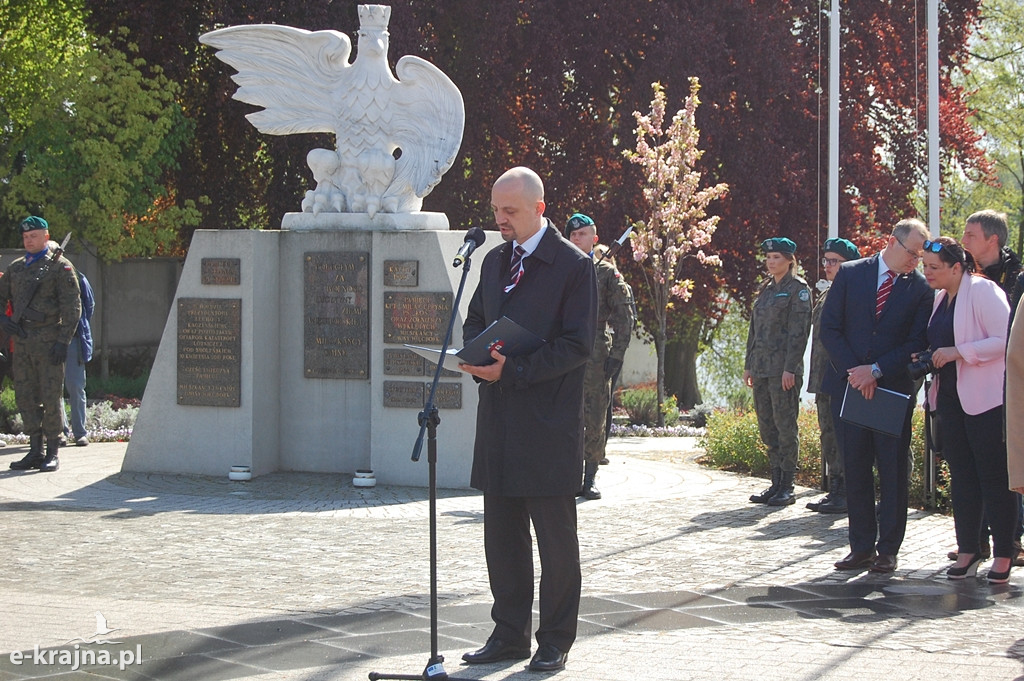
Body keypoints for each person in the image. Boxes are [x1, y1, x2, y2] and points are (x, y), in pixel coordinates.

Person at [459, 167, 597, 673]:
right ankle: (509, 634)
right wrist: (479, 357)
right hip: (499, 420)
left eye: (510, 211)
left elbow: (578, 345)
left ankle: (556, 639)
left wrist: (513, 369)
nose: (500, 220)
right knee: (502, 535)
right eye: (496, 210)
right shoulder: (494, 261)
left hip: (548, 424)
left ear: (539, 208)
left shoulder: (572, 265)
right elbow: (475, 319)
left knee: (555, 541)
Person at [821, 218, 933, 573]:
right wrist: (857, 371)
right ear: (891, 241)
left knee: (892, 470)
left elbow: (917, 342)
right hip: (849, 387)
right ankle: (861, 547)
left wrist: (876, 371)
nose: (916, 261)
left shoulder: (920, 289)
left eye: (920, 256)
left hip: (891, 390)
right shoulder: (852, 274)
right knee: (855, 469)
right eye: (912, 253)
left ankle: (888, 550)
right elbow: (830, 328)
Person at [918, 236, 1014, 582]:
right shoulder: (941, 298)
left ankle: (1004, 553)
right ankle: (969, 548)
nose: (926, 273)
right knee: (962, 477)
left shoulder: (984, 291)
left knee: (993, 477)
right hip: (950, 397)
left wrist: (960, 352)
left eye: (934, 268)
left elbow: (1006, 340)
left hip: (987, 400)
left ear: (957, 268)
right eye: (924, 266)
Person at [955, 209, 1024, 565]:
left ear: (992, 240)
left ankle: (1010, 542)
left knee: (1007, 466)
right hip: (971, 388)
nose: (963, 240)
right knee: (973, 468)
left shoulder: (1017, 278)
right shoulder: (964, 273)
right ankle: (977, 540)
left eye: (970, 235)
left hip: (1007, 386)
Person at [0, 216, 82, 473]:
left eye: (34, 236)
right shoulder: (15, 268)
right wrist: (4, 319)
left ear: (46, 237)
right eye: (25, 237)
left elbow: (73, 308)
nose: (29, 240)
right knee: (25, 396)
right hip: (22, 342)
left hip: (49, 342)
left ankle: (52, 452)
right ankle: (34, 450)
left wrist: (63, 342)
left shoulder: (61, 267)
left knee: (50, 397)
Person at [565, 212, 635, 500]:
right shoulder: (561, 270)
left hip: (595, 346)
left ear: (594, 238)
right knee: (564, 412)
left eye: (582, 234)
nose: (576, 238)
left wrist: (617, 354)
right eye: (572, 234)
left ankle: (590, 474)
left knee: (593, 411)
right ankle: (565, 471)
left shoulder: (606, 272)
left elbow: (625, 315)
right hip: (564, 345)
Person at [744, 237, 812, 507]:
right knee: (767, 427)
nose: (771, 262)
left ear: (790, 260)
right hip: (761, 368)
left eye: (776, 258)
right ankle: (775, 483)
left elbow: (799, 334)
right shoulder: (765, 289)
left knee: (785, 427)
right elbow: (753, 331)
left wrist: (790, 369)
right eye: (769, 258)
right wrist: (749, 364)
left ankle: (787, 485)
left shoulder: (798, 290)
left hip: (783, 371)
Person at [806, 237, 861, 514]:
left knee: (843, 436)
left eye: (834, 261)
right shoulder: (829, 292)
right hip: (822, 375)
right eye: (826, 260)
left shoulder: (854, 292)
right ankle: (836, 488)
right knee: (828, 433)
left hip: (842, 376)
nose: (827, 266)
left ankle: (848, 491)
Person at [62, 269, 94, 446]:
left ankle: (79, 432)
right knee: (53, 389)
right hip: (49, 340)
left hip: (74, 340)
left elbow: (89, 306)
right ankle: (60, 432)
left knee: (75, 386)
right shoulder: (43, 276)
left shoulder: (79, 277)